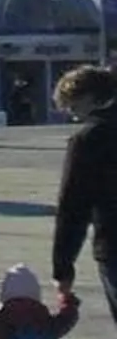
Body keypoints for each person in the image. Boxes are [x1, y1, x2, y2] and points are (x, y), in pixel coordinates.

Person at [49, 66, 117, 325]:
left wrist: (63, 267)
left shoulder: (89, 139)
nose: (73, 116)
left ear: (88, 98)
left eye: (72, 107)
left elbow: (73, 207)